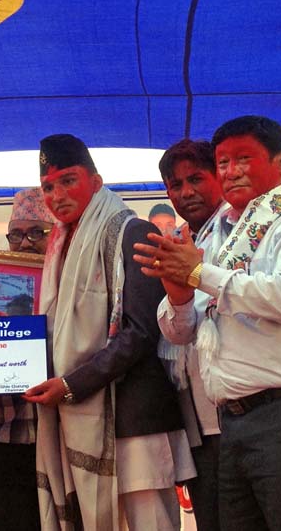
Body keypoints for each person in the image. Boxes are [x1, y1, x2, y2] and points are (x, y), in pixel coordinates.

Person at [134, 115, 281, 531]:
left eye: (242, 159)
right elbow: (182, 332)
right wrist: (177, 293)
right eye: (224, 162)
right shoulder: (216, 235)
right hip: (230, 421)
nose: (231, 171)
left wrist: (199, 275)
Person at [24, 135, 193, 531]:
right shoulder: (62, 246)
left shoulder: (131, 231)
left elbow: (140, 331)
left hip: (133, 420)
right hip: (82, 418)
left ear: (96, 182)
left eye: (68, 180)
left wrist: (70, 385)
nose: (57, 195)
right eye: (48, 187)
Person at [0, 187, 53, 531]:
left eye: (37, 232)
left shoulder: (73, 286)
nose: (26, 242)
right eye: (16, 234)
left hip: (61, 443)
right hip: (0, 441)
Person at [155, 139, 224, 531]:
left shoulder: (243, 233)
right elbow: (179, 331)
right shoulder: (176, 242)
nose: (186, 192)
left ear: (219, 175)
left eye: (196, 178)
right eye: (175, 185)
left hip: (254, 410)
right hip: (200, 420)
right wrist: (178, 296)